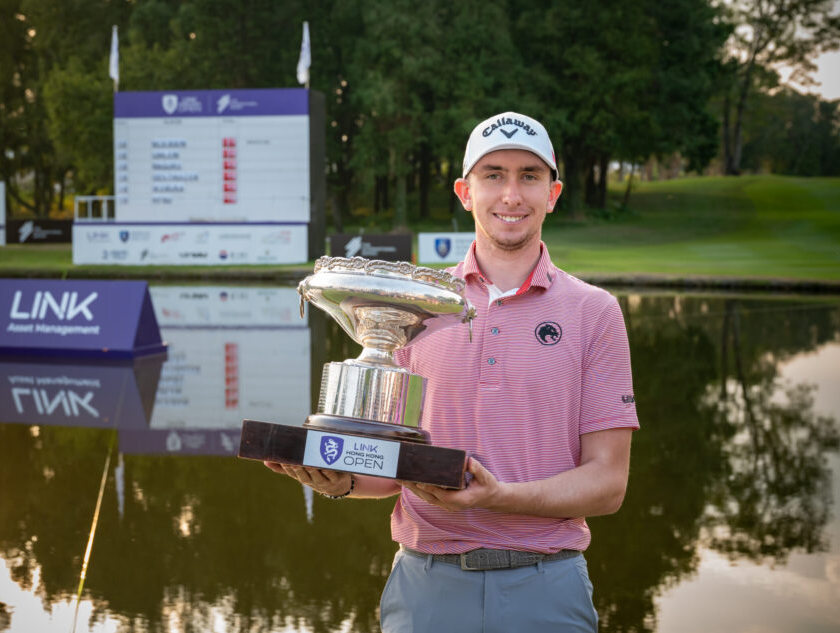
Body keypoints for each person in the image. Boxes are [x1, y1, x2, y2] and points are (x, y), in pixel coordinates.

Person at [266, 111, 639, 633]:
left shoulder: (594, 311)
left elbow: (608, 483)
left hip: (548, 586)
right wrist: (340, 479)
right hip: (426, 588)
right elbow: (391, 466)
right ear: (465, 192)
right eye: (494, 175)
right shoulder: (414, 301)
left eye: (529, 176)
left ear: (553, 193)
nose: (511, 194)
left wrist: (500, 498)